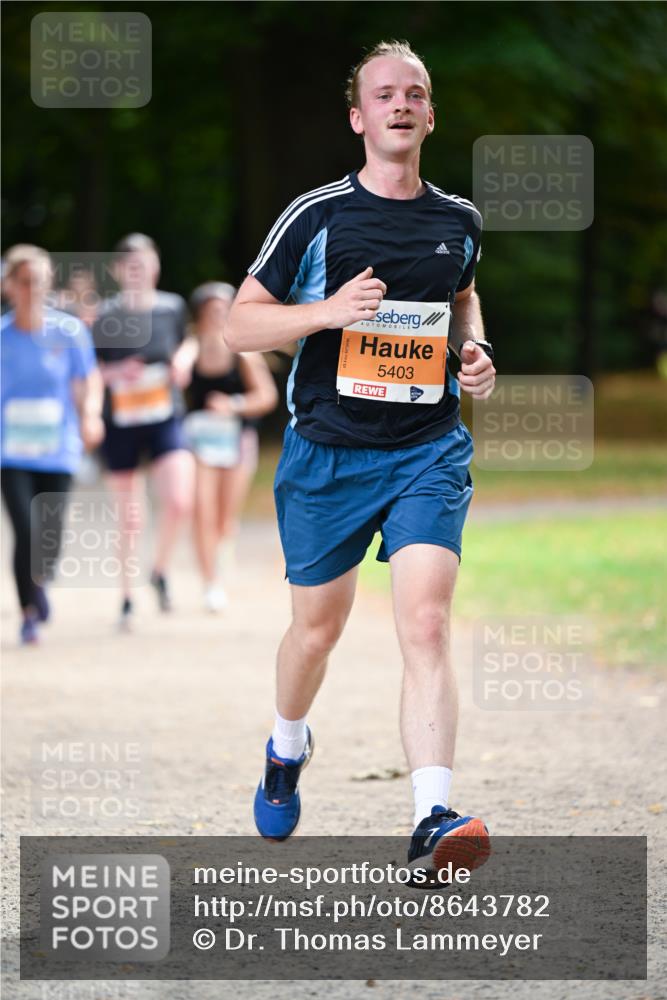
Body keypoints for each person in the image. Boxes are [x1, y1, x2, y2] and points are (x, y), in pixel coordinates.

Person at [225, 40, 496, 875]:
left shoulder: (459, 221)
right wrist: (328, 311)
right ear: (357, 117)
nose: (400, 104)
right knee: (316, 631)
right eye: (384, 94)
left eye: (414, 93)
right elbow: (239, 325)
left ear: (430, 116)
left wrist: (475, 350)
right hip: (327, 456)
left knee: (426, 622)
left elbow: (463, 297)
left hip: (426, 450)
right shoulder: (315, 216)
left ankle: (431, 817)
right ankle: (286, 744)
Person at [1, 245, 104, 644]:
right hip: (11, 450)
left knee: (49, 535)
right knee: (25, 529)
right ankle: (28, 612)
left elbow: (88, 380)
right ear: (10, 286)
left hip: (57, 448)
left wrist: (90, 415)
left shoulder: (69, 331)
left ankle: (40, 580)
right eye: (26, 282)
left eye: (40, 282)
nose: (34, 290)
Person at [93, 234, 195, 630]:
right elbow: (88, 369)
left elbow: (188, 343)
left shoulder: (171, 307)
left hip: (164, 415)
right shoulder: (104, 314)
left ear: (156, 266)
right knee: (130, 517)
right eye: (131, 266)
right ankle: (127, 598)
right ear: (118, 270)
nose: (139, 272)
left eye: (146, 264)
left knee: (180, 500)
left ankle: (159, 570)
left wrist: (182, 362)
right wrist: (116, 372)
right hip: (120, 421)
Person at [185, 282, 278, 612]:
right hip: (199, 444)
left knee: (225, 517)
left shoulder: (245, 354)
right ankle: (210, 582)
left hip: (237, 442)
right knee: (202, 510)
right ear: (200, 315)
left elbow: (266, 397)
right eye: (212, 310)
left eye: (225, 308)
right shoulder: (189, 351)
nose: (219, 315)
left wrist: (233, 405)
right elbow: (175, 376)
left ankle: (222, 555)